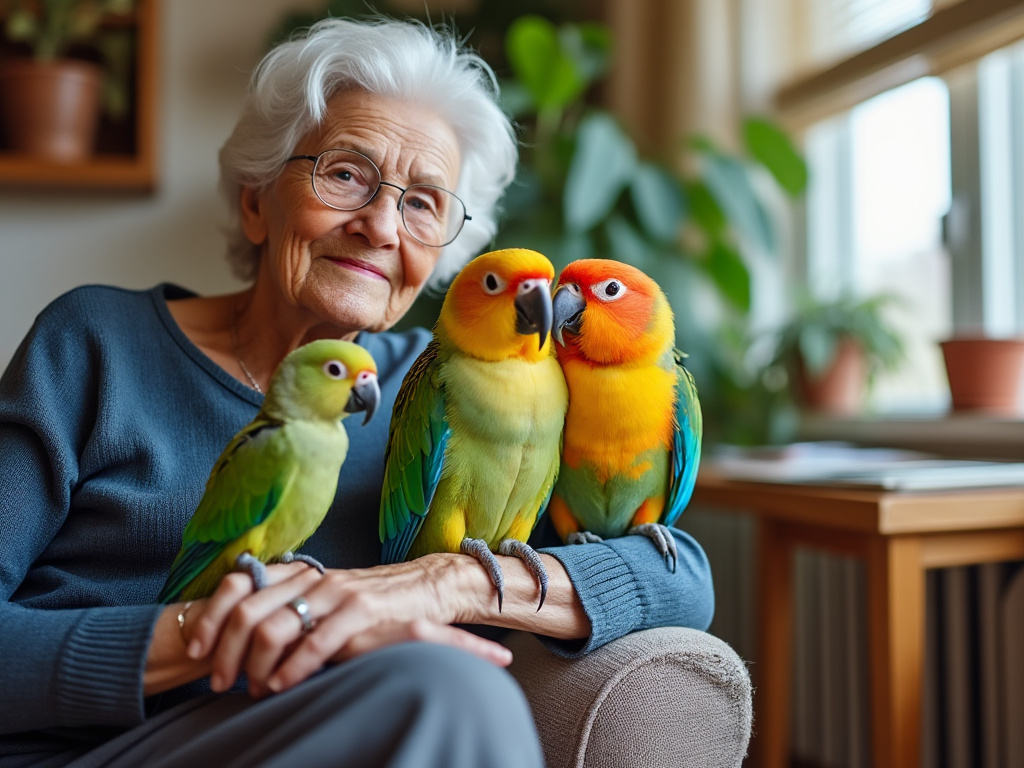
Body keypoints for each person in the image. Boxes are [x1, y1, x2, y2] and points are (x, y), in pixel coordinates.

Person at [0, 16, 714, 768]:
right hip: (89, 751)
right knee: (450, 690)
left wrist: (439, 586)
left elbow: (680, 578)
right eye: (345, 173)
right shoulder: (96, 343)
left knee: (450, 686)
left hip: (338, 738)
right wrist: (210, 632)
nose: (380, 225)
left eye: (423, 204)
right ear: (255, 201)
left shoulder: (451, 389)